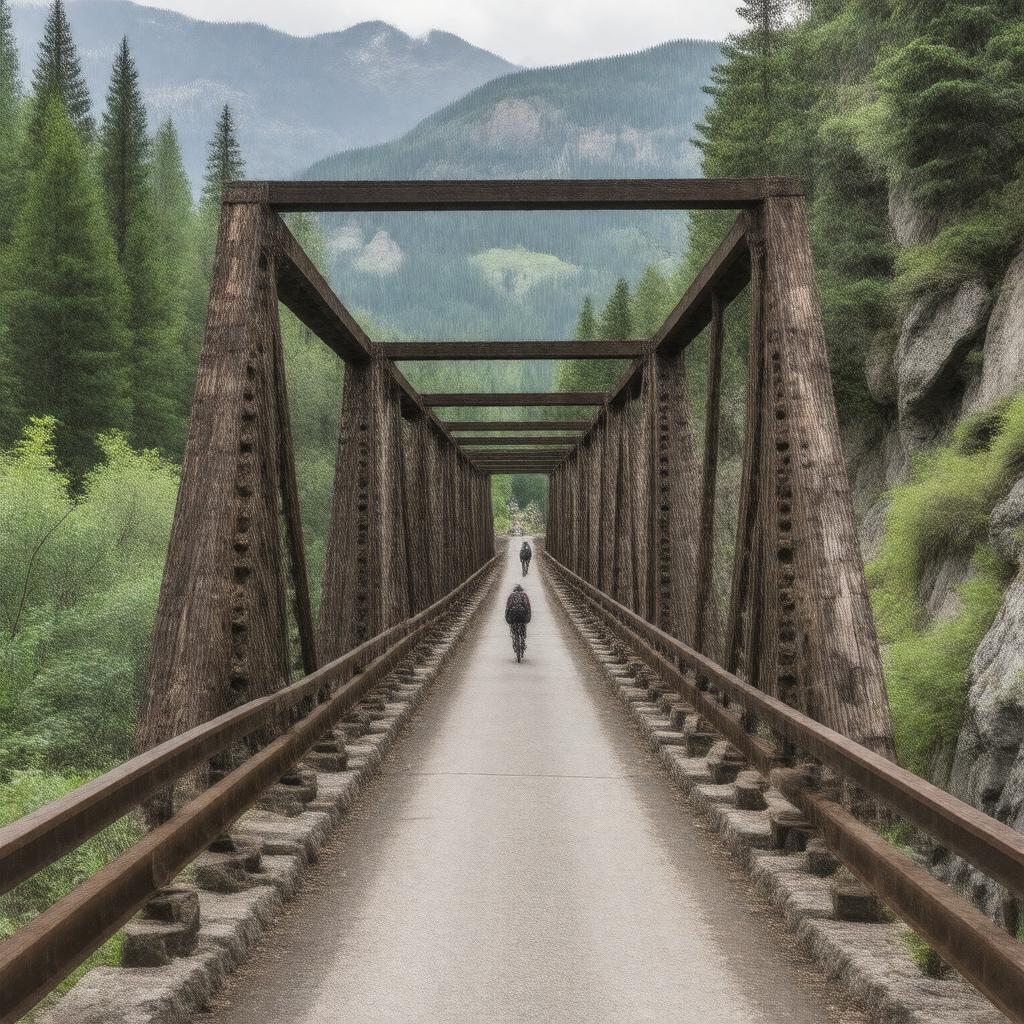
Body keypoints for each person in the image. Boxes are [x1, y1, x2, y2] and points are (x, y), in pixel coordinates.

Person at [505, 583, 531, 662]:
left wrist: (507, 618)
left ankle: (515, 634)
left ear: (514, 590)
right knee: (522, 625)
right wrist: (528, 618)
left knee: (514, 626)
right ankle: (522, 638)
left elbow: (508, 607)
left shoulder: (511, 596)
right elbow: (528, 607)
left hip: (513, 614)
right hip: (522, 613)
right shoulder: (524, 595)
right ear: (521, 590)